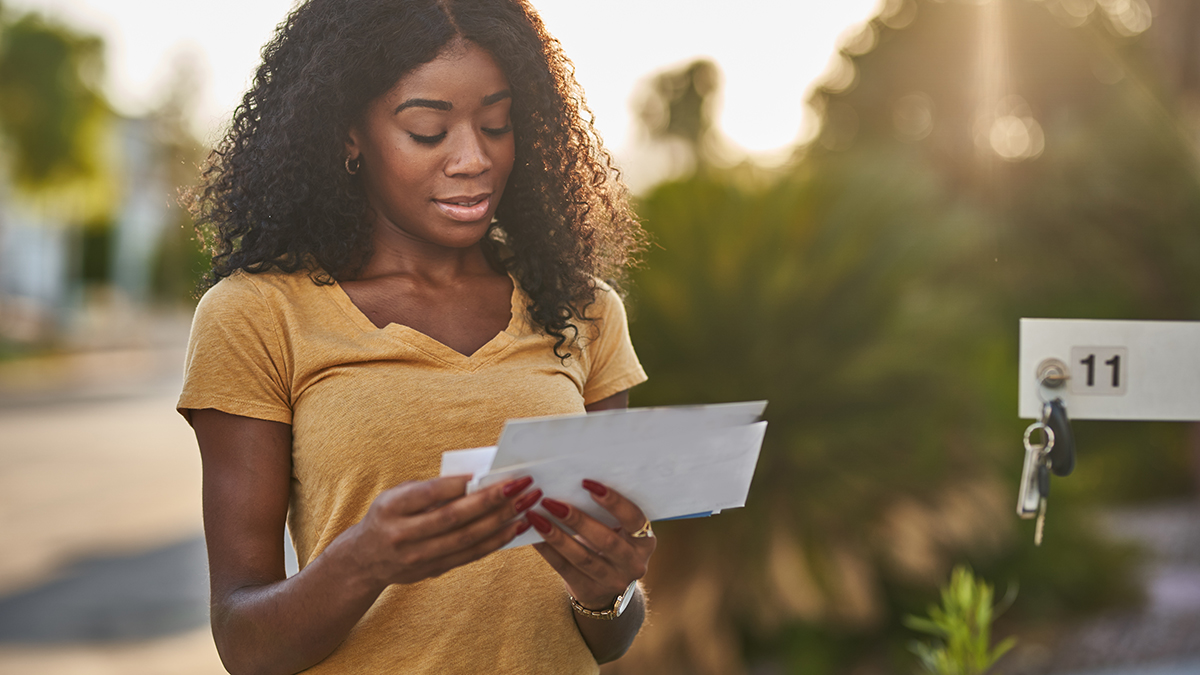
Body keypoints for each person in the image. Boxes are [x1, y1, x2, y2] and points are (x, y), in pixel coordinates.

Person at [177, 0, 653, 672]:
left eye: (496, 123)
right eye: (429, 130)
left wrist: (607, 590)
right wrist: (364, 559)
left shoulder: (582, 309)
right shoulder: (258, 314)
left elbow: (612, 634)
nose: (473, 159)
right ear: (349, 136)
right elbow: (245, 642)